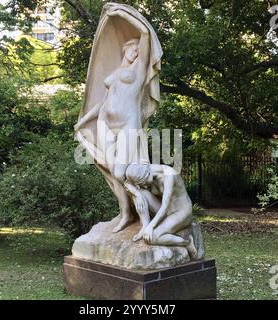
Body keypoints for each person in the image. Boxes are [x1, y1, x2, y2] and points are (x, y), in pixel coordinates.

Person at [74, 9, 151, 232]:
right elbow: (104, 102)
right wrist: (84, 121)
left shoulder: (139, 68)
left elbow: (145, 33)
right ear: (125, 48)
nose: (136, 53)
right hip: (105, 123)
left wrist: (121, 14)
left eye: (138, 51)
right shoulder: (117, 71)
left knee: (121, 172)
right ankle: (125, 212)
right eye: (133, 49)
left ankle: (144, 211)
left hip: (128, 123)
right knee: (109, 169)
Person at [124, 163, 197, 259]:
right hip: (166, 211)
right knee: (140, 193)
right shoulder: (147, 171)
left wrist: (151, 227)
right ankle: (145, 225)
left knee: (152, 237)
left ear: (146, 175)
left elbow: (165, 206)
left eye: (143, 183)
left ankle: (187, 242)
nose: (144, 186)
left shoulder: (169, 175)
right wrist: (136, 193)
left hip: (181, 212)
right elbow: (128, 183)